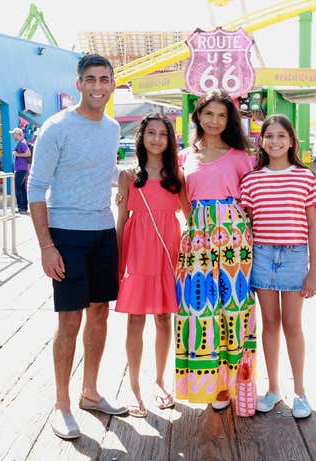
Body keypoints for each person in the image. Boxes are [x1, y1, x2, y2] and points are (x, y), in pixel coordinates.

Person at [27, 54, 126, 440]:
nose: (98, 86)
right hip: (65, 233)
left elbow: (105, 171)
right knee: (70, 320)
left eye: (104, 79)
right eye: (91, 79)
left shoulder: (113, 127)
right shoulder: (56, 127)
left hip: (103, 231)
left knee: (100, 312)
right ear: (79, 84)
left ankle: (90, 392)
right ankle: (62, 404)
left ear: (112, 83)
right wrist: (46, 246)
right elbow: (35, 188)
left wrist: (128, 176)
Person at [175, 89, 256, 409]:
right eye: (209, 113)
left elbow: (251, 201)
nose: (215, 120)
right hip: (197, 237)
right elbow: (183, 199)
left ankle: (234, 385)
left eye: (222, 115)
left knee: (234, 310)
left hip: (235, 238)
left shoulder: (240, 156)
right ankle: (208, 385)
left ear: (230, 120)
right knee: (199, 308)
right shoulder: (184, 156)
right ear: (198, 116)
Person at [239, 114, 316, 419]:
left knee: (292, 325)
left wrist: (313, 270)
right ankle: (273, 389)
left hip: (294, 256)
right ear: (261, 141)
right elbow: (245, 222)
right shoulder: (252, 179)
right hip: (261, 255)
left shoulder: (305, 178)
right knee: (269, 324)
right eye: (269, 136)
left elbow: (313, 226)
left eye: (281, 136)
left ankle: (300, 392)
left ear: (291, 141)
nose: (275, 141)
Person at [114, 113, 182, 417]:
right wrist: (117, 264)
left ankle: (159, 381)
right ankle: (133, 386)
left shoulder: (177, 177)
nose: (157, 139)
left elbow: (192, 215)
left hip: (169, 250)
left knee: (164, 318)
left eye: (163, 134)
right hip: (137, 253)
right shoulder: (128, 175)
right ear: (141, 137)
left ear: (170, 140)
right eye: (151, 132)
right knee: (135, 319)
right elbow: (121, 223)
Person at [10, 127, 31, 214]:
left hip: (21, 169)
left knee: (18, 188)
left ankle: (21, 207)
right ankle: (23, 207)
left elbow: (28, 153)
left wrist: (17, 154)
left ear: (18, 134)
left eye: (13, 134)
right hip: (22, 169)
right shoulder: (22, 142)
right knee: (21, 188)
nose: (12, 136)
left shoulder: (22, 143)